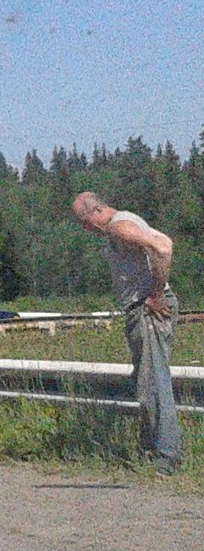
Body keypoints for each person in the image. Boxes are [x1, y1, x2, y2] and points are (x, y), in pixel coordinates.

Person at [71, 192, 182, 473]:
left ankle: (167, 457)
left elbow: (163, 246)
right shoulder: (123, 223)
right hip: (142, 309)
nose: (86, 230)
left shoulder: (118, 226)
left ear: (97, 211)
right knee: (147, 382)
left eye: (85, 222)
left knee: (154, 382)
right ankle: (154, 449)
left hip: (147, 310)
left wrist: (156, 295)